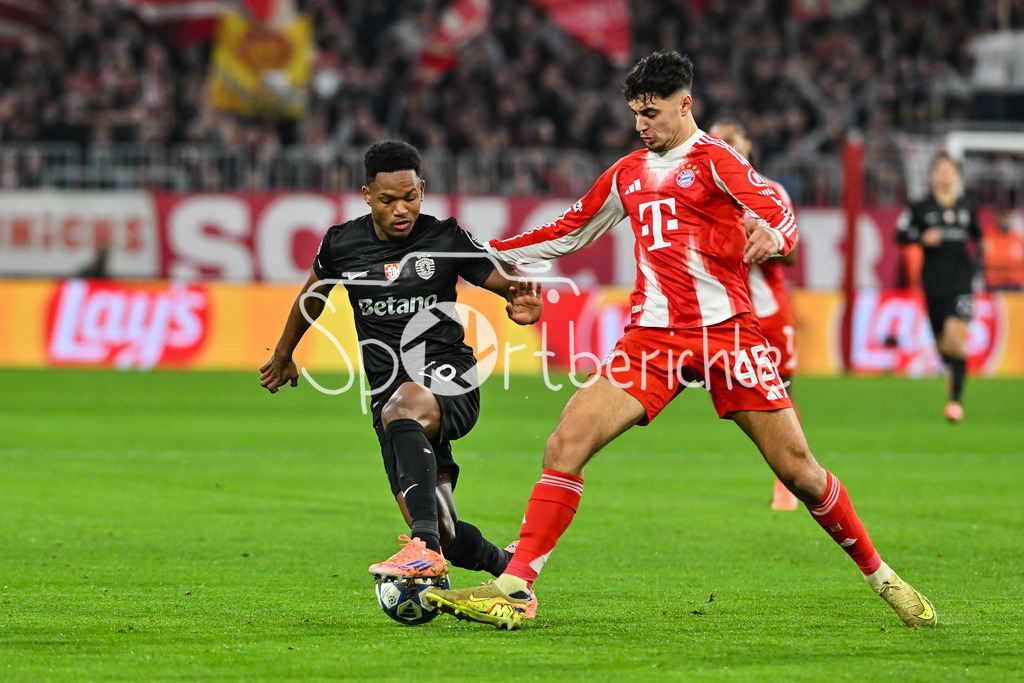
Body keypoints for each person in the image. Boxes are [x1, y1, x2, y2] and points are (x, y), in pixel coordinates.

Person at [424, 51, 935, 630]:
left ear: (685, 104)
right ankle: (515, 587)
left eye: (652, 111)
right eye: (635, 113)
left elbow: (776, 211)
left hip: (728, 336)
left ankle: (882, 575)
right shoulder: (627, 174)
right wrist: (474, 254)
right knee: (565, 443)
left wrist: (776, 235)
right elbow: (565, 233)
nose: (641, 124)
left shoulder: (718, 161)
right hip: (652, 339)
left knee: (800, 472)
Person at [260, 141, 543, 596]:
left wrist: (520, 299)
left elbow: (504, 282)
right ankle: (509, 567)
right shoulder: (341, 244)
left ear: (423, 190)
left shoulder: (445, 237)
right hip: (390, 403)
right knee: (446, 529)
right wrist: (283, 353)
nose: (401, 209)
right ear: (367, 195)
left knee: (405, 408)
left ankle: (421, 550)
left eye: (410, 196)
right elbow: (312, 297)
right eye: (388, 199)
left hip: (449, 378)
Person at [709, 119, 801, 511]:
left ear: (748, 144)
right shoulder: (705, 190)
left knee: (781, 392)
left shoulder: (770, 191)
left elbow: (793, 252)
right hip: (722, 310)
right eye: (717, 140)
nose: (723, 144)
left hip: (766, 308)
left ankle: (787, 480)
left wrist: (762, 234)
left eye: (730, 138)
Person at [896, 152, 983, 422]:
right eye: (940, 170)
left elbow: (978, 236)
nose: (945, 175)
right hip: (933, 284)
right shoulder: (919, 207)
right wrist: (921, 237)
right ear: (932, 176)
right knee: (944, 344)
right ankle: (950, 370)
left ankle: (955, 403)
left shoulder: (968, 206)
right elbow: (899, 234)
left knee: (956, 337)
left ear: (957, 176)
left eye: (950, 170)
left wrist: (984, 248)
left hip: (962, 282)